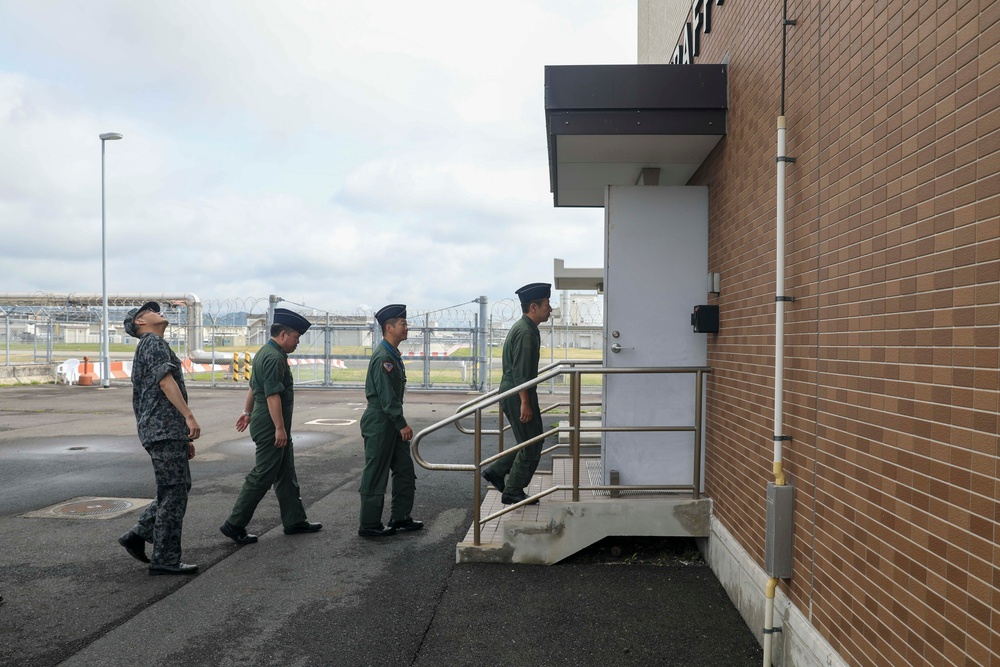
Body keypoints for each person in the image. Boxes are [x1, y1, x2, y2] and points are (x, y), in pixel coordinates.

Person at [220, 308, 321, 544]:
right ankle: (234, 523)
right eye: (296, 337)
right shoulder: (274, 357)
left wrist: (247, 413)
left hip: (267, 422)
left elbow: (254, 388)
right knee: (263, 474)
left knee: (286, 473)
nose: (297, 342)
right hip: (270, 426)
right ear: (283, 334)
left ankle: (294, 520)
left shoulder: (265, 352)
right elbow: (272, 396)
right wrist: (280, 428)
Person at [118, 301, 201, 575]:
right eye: (151, 311)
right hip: (162, 429)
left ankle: (139, 534)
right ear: (140, 322)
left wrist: (183, 436)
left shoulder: (152, 344)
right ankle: (164, 558)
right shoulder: (152, 342)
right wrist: (188, 416)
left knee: (177, 488)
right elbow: (166, 382)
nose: (159, 312)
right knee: (174, 493)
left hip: (165, 430)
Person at [481, 283, 553, 505]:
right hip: (518, 393)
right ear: (533, 307)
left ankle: (497, 471)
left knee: (529, 441)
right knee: (531, 444)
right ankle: (512, 490)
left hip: (518, 392)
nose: (550, 309)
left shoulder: (527, 328)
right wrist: (525, 402)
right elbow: (521, 372)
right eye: (547, 305)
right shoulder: (525, 332)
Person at [357, 304, 423, 537]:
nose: (406, 327)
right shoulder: (384, 357)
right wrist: (401, 423)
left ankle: (401, 516)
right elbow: (387, 397)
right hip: (381, 420)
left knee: (404, 469)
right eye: (402, 324)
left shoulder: (392, 354)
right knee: (376, 471)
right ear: (389, 327)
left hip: (390, 419)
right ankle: (369, 523)